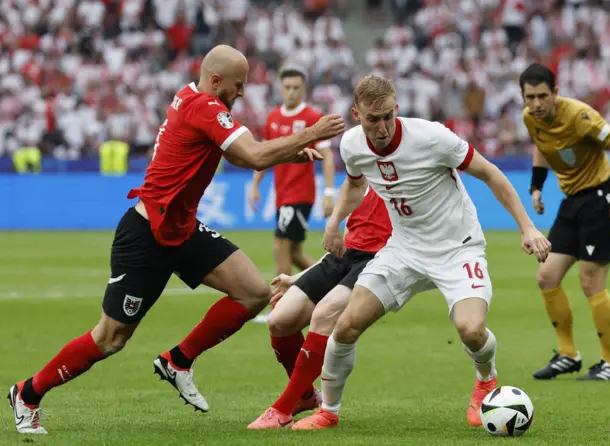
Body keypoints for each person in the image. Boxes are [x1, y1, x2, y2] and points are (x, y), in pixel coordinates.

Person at [7, 45, 345, 435]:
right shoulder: (203, 106)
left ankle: (179, 360)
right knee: (110, 338)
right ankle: (27, 393)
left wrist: (287, 153)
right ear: (216, 80)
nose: (240, 94)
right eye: (237, 86)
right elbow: (252, 156)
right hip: (146, 236)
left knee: (254, 292)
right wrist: (314, 133)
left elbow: (237, 155)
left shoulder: (192, 97)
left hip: (181, 229)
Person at [292, 74, 551, 430]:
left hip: (458, 248)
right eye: (372, 119)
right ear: (357, 115)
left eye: (388, 116)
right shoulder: (352, 145)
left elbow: (490, 173)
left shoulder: (432, 137)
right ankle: (328, 412)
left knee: (471, 329)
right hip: (404, 249)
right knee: (347, 325)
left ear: (396, 108)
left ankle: (485, 380)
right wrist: (335, 222)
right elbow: (355, 185)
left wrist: (527, 227)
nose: (382, 127)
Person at [520, 62, 610, 381]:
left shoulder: (581, 116)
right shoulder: (531, 118)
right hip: (571, 201)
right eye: (530, 97)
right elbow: (542, 148)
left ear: (555, 92)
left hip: (601, 197)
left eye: (542, 96)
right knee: (546, 276)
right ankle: (568, 355)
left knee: (590, 280)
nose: (537, 104)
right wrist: (537, 187)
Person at [247, 187, 392, 429]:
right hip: (343, 254)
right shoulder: (363, 165)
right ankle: (305, 396)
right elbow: (354, 224)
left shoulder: (408, 168)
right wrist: (301, 275)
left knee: (325, 314)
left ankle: (282, 410)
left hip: (380, 260)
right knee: (280, 320)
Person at [248, 68, 336, 323]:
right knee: (295, 252)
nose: (291, 92)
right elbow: (264, 153)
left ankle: (280, 308)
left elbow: (327, 157)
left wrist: (328, 192)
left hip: (300, 194)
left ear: (303, 89)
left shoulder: (312, 117)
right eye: (287, 87)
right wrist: (255, 184)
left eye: (296, 87)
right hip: (282, 193)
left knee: (280, 245)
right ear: (280, 88)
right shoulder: (273, 117)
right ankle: (332, 286)